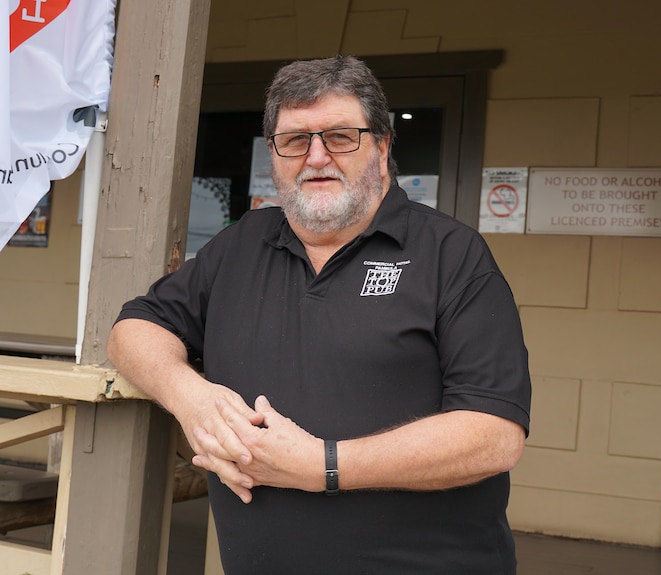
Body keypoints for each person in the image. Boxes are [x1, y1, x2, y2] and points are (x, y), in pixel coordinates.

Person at [107, 55, 531, 574]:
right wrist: (192, 399)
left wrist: (324, 466)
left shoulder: (452, 255)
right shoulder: (243, 244)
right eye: (294, 140)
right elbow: (133, 328)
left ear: (381, 145)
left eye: (339, 136)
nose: (316, 157)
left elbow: (494, 436)